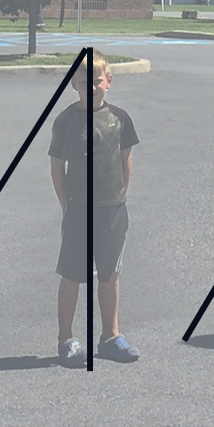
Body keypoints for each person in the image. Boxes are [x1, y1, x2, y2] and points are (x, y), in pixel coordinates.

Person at [48, 48, 141, 367]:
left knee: (110, 272)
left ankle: (111, 336)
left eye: (97, 81)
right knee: (73, 272)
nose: (91, 87)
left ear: (109, 82)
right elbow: (57, 166)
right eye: (84, 81)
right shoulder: (66, 121)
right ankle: (66, 339)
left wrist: (120, 195)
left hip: (112, 208)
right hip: (77, 210)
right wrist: (66, 204)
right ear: (74, 83)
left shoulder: (119, 118)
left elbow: (125, 159)